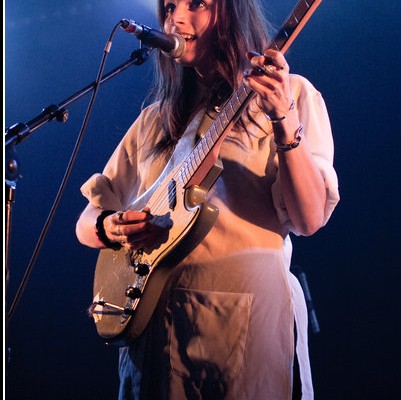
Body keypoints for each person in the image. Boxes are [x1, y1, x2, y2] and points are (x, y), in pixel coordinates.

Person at [75, 0, 339, 398]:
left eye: (196, 3)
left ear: (231, 12)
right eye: (169, 8)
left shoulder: (293, 94)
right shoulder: (154, 121)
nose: (176, 18)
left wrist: (284, 118)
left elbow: (309, 219)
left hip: (241, 334)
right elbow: (88, 218)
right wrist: (108, 226)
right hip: (151, 343)